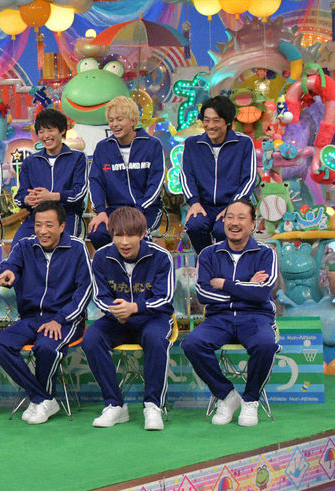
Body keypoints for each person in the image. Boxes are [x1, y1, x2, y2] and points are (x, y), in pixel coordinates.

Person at [0, 201, 92, 424]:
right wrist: (6, 273)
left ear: (62, 226)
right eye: (38, 225)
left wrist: (60, 319)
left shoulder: (77, 249)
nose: (42, 231)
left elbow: (85, 290)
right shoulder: (25, 245)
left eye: (49, 225)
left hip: (66, 319)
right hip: (31, 318)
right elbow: (8, 266)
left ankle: (41, 401)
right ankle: (43, 398)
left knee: (46, 347)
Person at [182, 199, 279, 427]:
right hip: (219, 318)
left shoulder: (266, 253)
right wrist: (246, 287)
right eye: (230, 217)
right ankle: (226, 395)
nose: (234, 223)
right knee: (192, 344)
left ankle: (251, 399)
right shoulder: (208, 254)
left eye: (241, 217)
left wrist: (225, 284)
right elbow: (203, 294)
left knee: (266, 344)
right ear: (223, 221)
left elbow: (262, 293)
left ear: (253, 224)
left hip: (256, 317)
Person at [80, 206, 175, 431]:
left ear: (142, 234)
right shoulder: (101, 257)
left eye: (130, 235)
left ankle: (153, 406)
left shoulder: (161, 257)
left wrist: (135, 307)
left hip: (152, 317)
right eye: (118, 235)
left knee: (155, 339)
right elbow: (99, 296)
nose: (124, 242)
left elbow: (165, 298)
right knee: (91, 338)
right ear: (111, 234)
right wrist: (117, 311)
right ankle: (115, 404)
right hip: (117, 319)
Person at [87, 96, 166, 250]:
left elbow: (156, 183)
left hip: (147, 209)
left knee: (135, 235)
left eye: (119, 119)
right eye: (111, 120)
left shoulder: (152, 145)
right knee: (97, 234)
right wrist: (101, 211)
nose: (114, 124)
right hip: (115, 210)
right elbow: (95, 182)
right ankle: (113, 264)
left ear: (133, 121)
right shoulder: (103, 147)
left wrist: (139, 209)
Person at [180, 95, 256, 253]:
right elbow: (186, 176)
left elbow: (249, 179)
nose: (210, 126)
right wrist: (194, 202)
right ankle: (206, 259)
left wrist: (233, 207)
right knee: (194, 225)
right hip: (203, 205)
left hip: (232, 204)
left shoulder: (244, 143)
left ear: (227, 121)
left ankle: (225, 262)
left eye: (216, 121)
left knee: (224, 229)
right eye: (206, 120)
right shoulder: (192, 144)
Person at [11, 109, 88, 248]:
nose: (46, 136)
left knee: (63, 250)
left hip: (67, 216)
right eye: (41, 131)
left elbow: (79, 193)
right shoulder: (30, 162)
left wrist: (51, 197)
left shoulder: (78, 158)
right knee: (18, 247)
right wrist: (27, 199)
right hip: (37, 218)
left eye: (50, 130)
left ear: (62, 130)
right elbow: (19, 197)